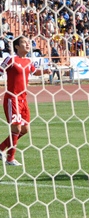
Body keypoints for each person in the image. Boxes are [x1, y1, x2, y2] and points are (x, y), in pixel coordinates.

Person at [0, 36, 50, 167]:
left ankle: (1, 148)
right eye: (24, 42)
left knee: (25, 129)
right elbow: (0, 70)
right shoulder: (11, 59)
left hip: (23, 99)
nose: (28, 44)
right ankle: (10, 159)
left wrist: (45, 71)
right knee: (16, 127)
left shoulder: (28, 61)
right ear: (17, 46)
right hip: (12, 98)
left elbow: (34, 72)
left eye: (28, 42)